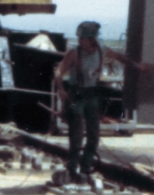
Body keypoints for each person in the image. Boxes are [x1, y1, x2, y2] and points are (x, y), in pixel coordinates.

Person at [52, 21, 139, 181]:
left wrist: (136, 66)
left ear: (91, 39)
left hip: (91, 97)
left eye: (82, 38)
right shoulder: (74, 53)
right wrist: (61, 89)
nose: (79, 41)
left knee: (94, 136)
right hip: (76, 97)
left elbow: (119, 57)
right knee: (76, 137)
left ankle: (85, 170)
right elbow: (59, 71)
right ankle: (72, 170)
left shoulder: (101, 51)